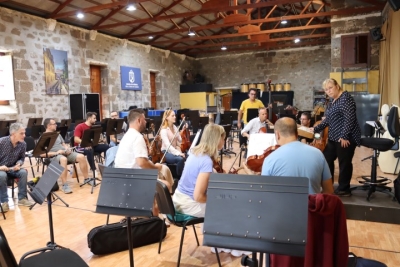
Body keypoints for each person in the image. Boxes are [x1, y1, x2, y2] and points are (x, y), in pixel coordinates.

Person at [114, 109, 173, 215]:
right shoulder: (137, 137)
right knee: (165, 185)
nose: (146, 122)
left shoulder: (126, 136)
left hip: (122, 179)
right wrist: (156, 168)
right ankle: (157, 218)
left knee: (163, 171)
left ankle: (154, 214)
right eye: (144, 119)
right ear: (139, 120)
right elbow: (142, 162)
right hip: (133, 181)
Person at [312, 78, 361, 196]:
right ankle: (329, 184)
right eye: (326, 89)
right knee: (326, 158)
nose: (328, 91)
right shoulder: (333, 101)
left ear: (337, 86)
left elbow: (350, 118)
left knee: (344, 163)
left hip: (346, 137)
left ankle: (344, 189)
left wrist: (344, 136)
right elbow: (328, 120)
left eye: (330, 88)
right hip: (334, 137)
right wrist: (314, 129)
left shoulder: (346, 98)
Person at [261, 117, 334, 195]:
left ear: (277, 134)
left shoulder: (270, 159)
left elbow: (265, 195)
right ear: (297, 133)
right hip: (313, 206)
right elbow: (329, 191)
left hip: (283, 207)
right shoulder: (318, 154)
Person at [42, 118, 89, 194]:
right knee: (63, 159)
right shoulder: (43, 137)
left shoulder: (57, 134)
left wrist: (67, 149)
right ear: (48, 126)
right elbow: (41, 154)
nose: (56, 125)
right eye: (54, 124)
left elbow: (63, 144)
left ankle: (87, 179)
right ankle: (64, 184)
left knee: (81, 156)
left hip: (64, 153)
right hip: (54, 156)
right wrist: (56, 153)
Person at [0, 123, 33, 212]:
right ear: (13, 134)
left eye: (24, 133)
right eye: (21, 133)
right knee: (2, 175)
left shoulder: (23, 144)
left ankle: (22, 199)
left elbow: (22, 158)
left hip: (12, 168)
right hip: (1, 169)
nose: (24, 135)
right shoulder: (1, 142)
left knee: (23, 172)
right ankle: (4, 202)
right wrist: (0, 167)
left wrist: (18, 164)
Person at [74, 112, 109, 179]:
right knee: (89, 150)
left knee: (107, 147)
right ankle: (93, 170)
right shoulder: (80, 126)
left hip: (92, 145)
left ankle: (107, 165)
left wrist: (101, 140)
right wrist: (85, 143)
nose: (96, 120)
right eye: (94, 118)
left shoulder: (94, 127)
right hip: (80, 147)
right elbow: (76, 139)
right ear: (89, 118)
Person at [160, 110, 185, 177]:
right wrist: (178, 153)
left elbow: (180, 140)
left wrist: (183, 131)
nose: (175, 117)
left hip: (174, 150)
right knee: (180, 159)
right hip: (165, 152)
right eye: (172, 116)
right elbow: (168, 146)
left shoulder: (175, 127)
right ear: (167, 117)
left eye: (175, 115)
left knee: (187, 156)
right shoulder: (163, 130)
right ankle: (179, 178)